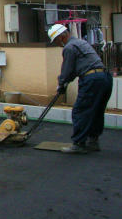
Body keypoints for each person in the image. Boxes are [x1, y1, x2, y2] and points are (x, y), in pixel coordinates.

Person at [48, 24, 113, 154]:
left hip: (92, 80)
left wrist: (61, 84)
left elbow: (67, 70)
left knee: (80, 111)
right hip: (104, 78)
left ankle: (79, 143)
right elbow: (73, 71)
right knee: (96, 111)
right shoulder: (80, 43)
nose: (57, 44)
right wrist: (64, 84)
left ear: (62, 36)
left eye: (56, 40)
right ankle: (93, 141)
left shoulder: (69, 48)